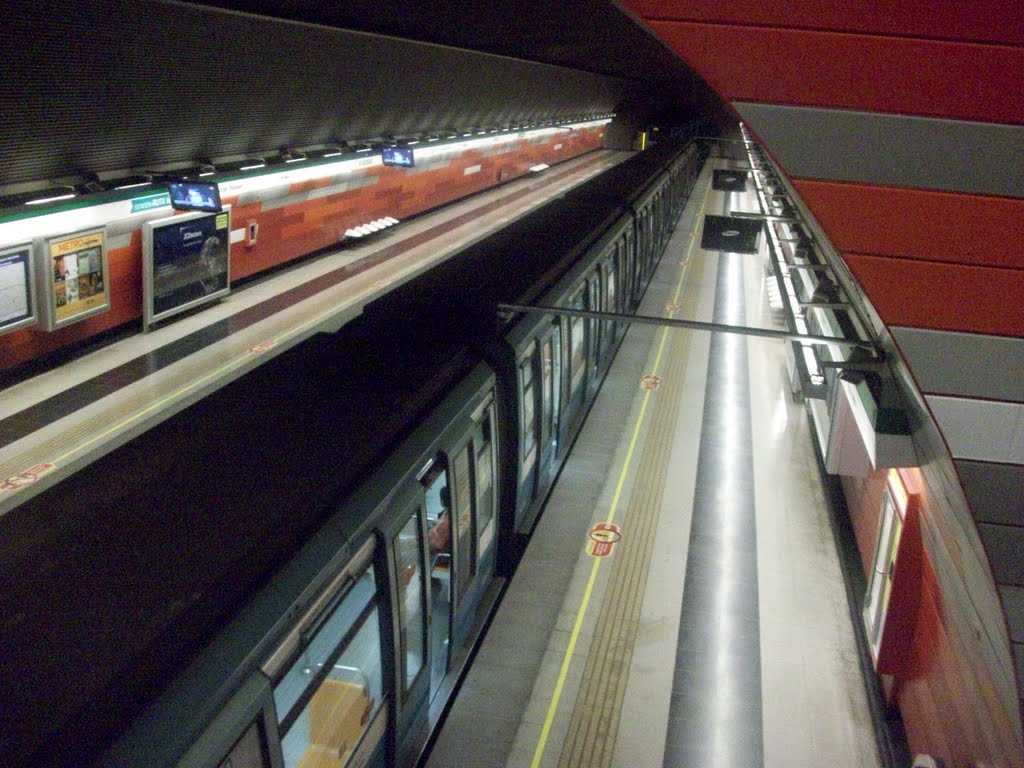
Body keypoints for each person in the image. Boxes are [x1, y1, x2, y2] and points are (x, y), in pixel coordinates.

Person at [428, 486, 451, 554]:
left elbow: (436, 546)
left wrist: (421, 544)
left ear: (442, 501)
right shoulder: (446, 512)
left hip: (435, 553)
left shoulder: (445, 524)